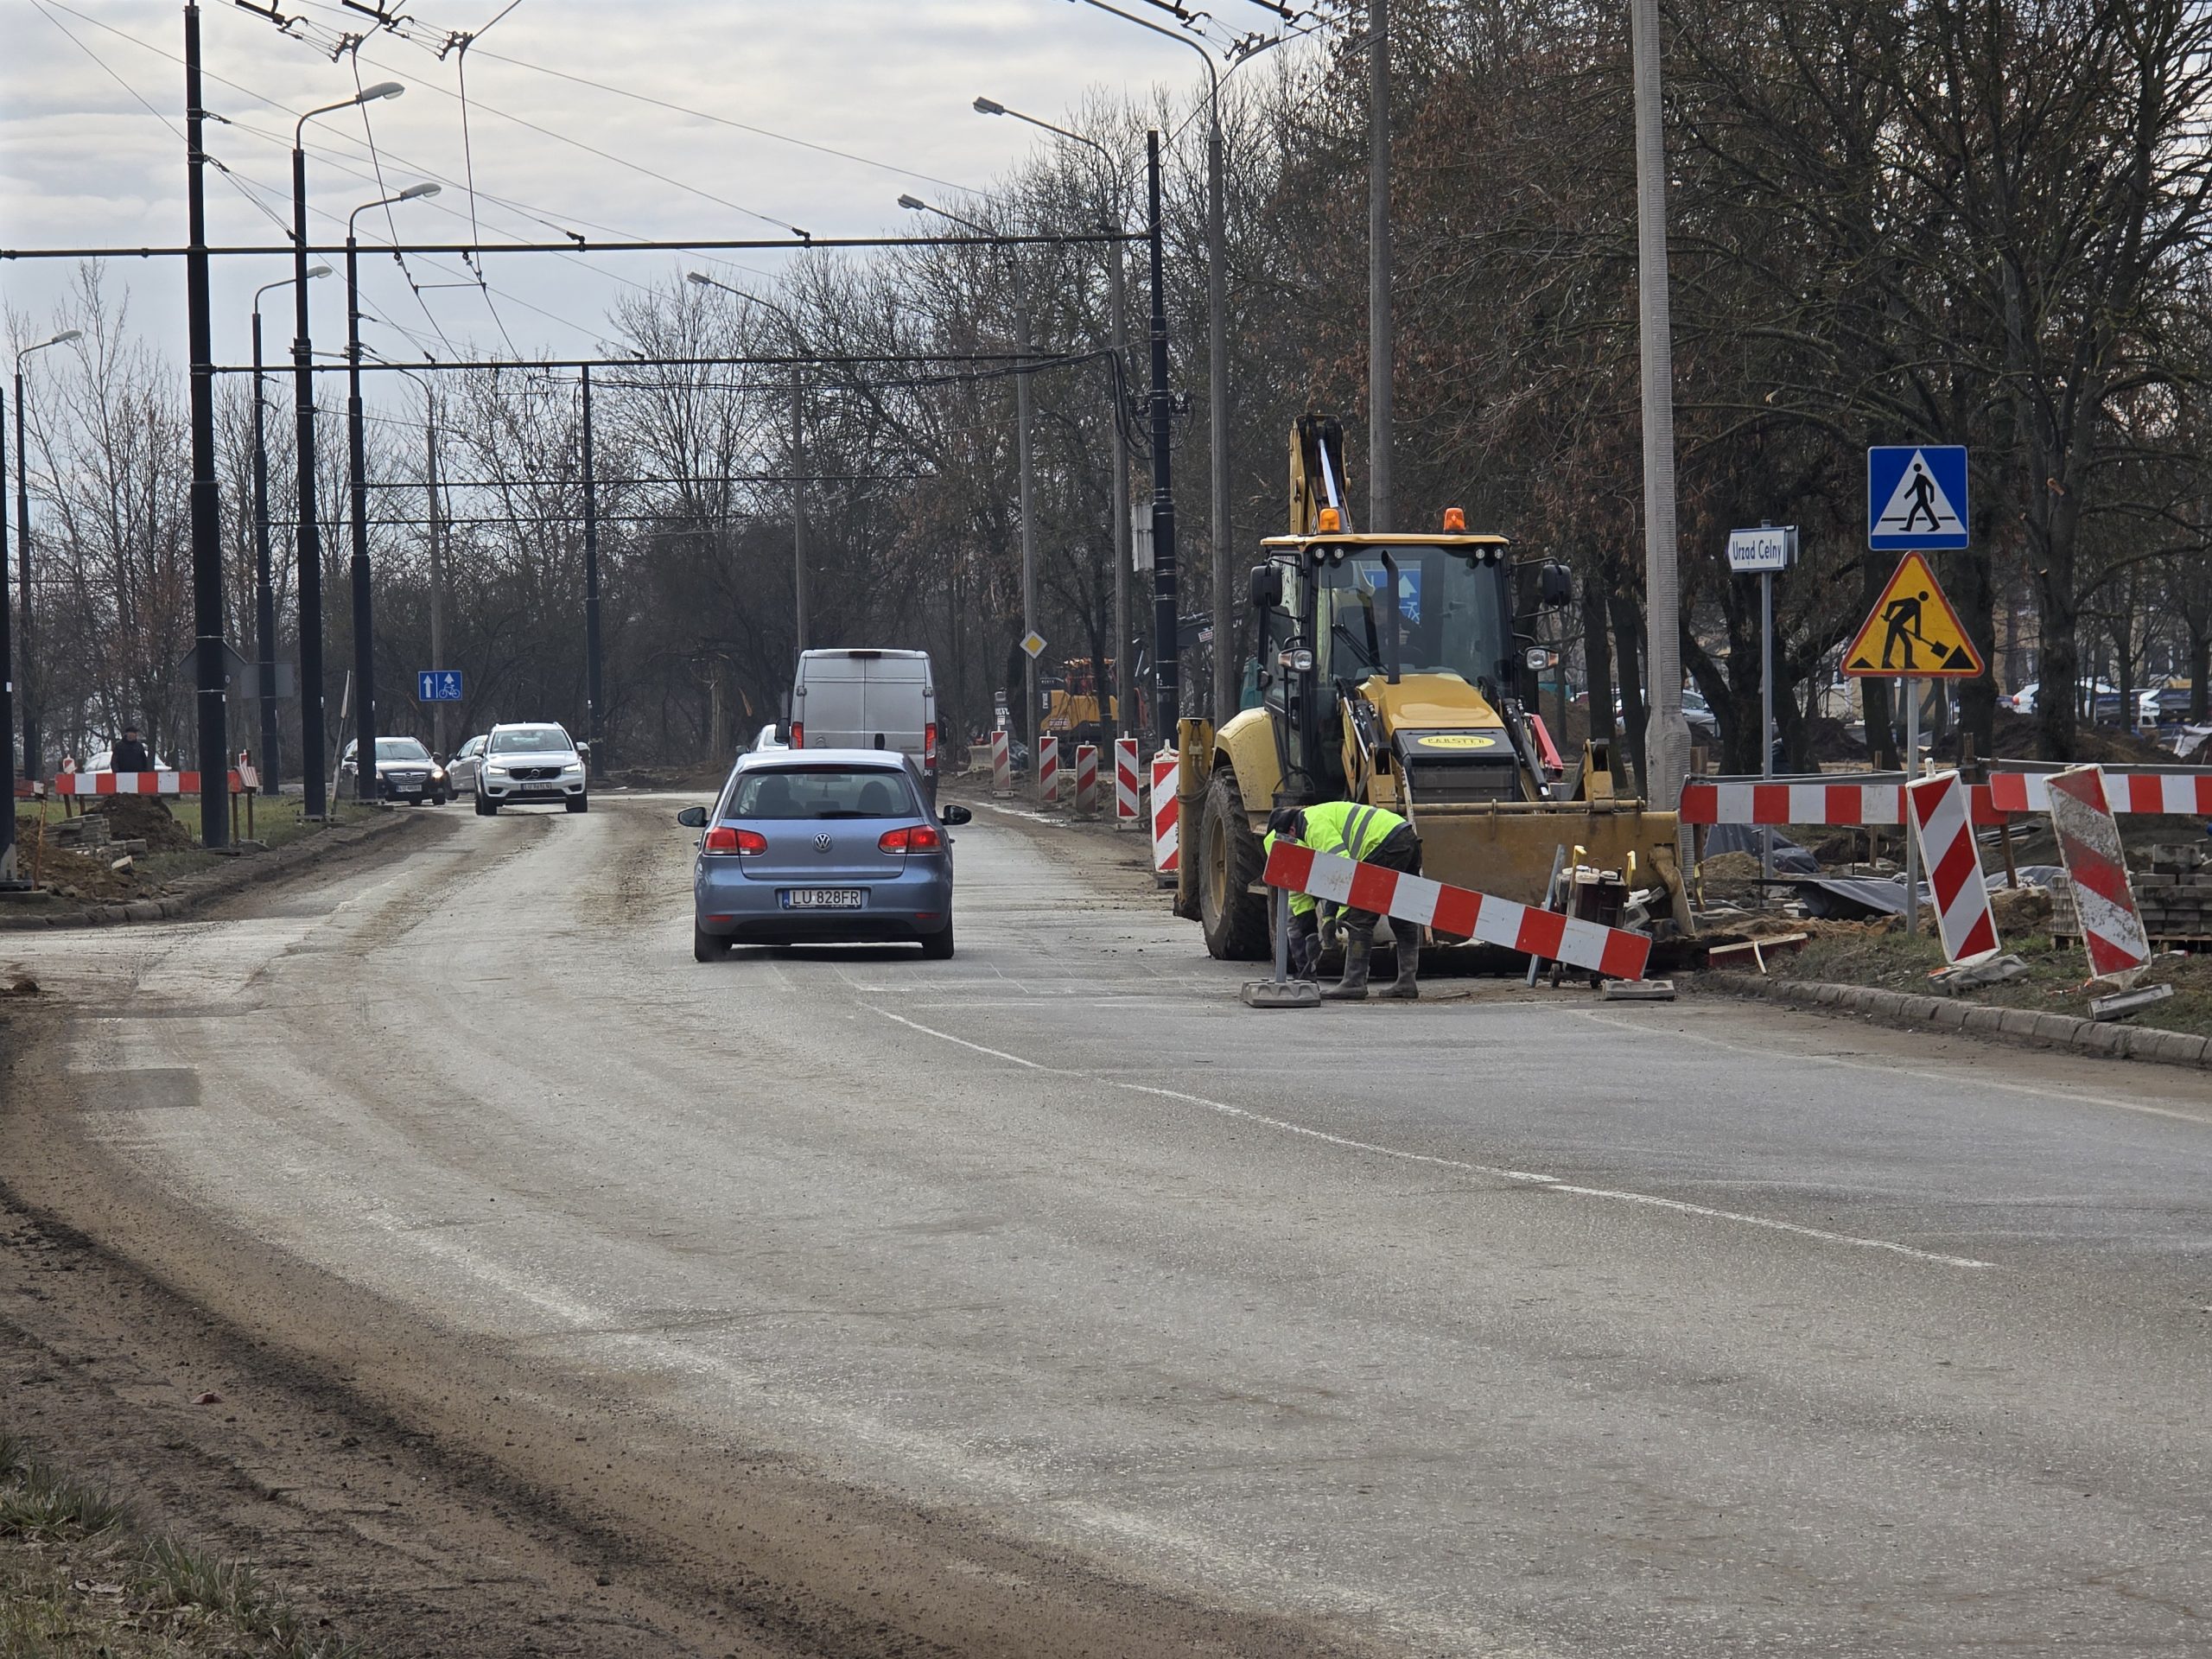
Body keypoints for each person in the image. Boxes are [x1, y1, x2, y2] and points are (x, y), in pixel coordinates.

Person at [1266, 800, 1423, 1001]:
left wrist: (1336, 915)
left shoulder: (1313, 825)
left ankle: (1354, 983)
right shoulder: (1311, 821)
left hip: (1385, 842)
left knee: (1359, 917)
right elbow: (1301, 899)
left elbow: (1341, 868)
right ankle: (1407, 982)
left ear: (1291, 831)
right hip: (1404, 836)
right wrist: (1313, 932)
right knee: (1403, 915)